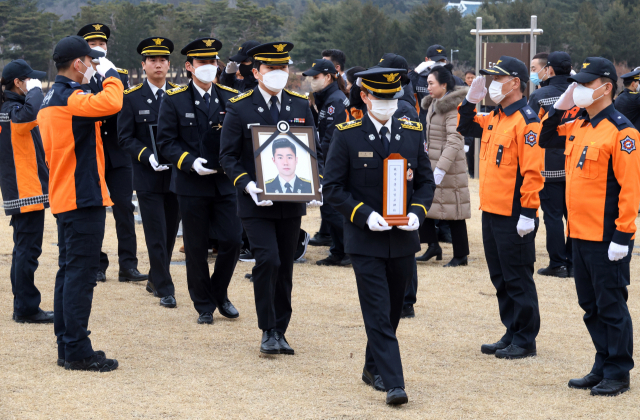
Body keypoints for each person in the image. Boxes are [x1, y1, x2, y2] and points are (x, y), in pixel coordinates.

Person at [323, 67, 435, 405]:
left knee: (391, 311)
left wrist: (417, 213)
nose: (387, 103)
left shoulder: (412, 131)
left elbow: (426, 182)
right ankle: (394, 382)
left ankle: (372, 367)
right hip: (365, 238)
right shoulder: (347, 133)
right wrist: (364, 215)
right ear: (366, 96)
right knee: (376, 309)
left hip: (402, 239)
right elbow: (333, 188)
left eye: (392, 97)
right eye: (380, 97)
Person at [540, 57, 640, 397]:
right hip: (579, 233)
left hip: (606, 235)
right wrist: (559, 106)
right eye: (577, 84)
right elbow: (546, 137)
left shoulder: (623, 132)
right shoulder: (580, 124)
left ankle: (618, 371)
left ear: (606, 87)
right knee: (591, 305)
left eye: (585, 84)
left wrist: (623, 235)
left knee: (611, 305)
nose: (579, 89)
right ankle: (602, 362)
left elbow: (630, 189)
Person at [220, 41, 320, 355]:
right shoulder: (240, 106)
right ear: (256, 70)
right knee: (268, 259)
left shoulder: (300, 104)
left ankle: (281, 330)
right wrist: (247, 184)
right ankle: (267, 328)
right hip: (255, 201)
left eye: (282, 67)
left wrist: (316, 183)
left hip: (291, 201)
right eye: (270, 68)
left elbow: (310, 151)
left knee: (286, 267)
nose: (277, 73)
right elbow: (228, 156)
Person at [38, 35, 123, 371]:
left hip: (66, 194)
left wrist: (97, 78)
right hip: (81, 195)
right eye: (89, 61)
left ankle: (67, 344)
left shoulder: (51, 98)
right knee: (81, 275)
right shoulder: (72, 99)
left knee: (69, 272)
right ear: (78, 65)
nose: (92, 65)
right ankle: (76, 350)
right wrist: (111, 74)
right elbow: (113, 102)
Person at [457, 56, 544, 360]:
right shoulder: (496, 117)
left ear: (515, 83)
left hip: (514, 212)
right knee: (501, 276)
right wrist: (469, 100)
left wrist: (529, 213)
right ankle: (511, 329)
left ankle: (525, 338)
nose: (492, 84)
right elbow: (466, 125)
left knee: (518, 276)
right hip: (492, 209)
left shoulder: (528, 121)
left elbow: (533, 172)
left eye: (498, 78)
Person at [155, 37, 242, 324]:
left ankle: (219, 292)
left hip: (224, 182)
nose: (209, 66)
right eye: (202, 62)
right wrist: (189, 161)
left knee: (231, 240)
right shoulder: (174, 98)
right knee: (195, 247)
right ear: (189, 66)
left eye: (213, 61)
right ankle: (203, 304)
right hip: (191, 184)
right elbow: (166, 142)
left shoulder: (231, 97)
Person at [77, 23, 146, 284]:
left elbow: (121, 102)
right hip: (91, 154)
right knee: (94, 210)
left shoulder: (117, 74)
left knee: (124, 210)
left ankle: (128, 264)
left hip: (117, 153)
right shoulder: (78, 77)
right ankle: (97, 263)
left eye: (103, 44)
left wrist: (111, 73)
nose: (98, 48)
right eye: (93, 44)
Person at [117, 37, 182, 308]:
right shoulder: (131, 98)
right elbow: (125, 138)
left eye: (163, 60)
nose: (158, 64)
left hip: (177, 175)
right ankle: (165, 288)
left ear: (169, 64)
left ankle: (156, 277)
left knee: (169, 232)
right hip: (147, 175)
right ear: (143, 65)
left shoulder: (180, 95)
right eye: (153, 60)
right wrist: (148, 155)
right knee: (155, 231)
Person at [0, 60, 52, 324]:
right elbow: (31, 114)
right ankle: (26, 308)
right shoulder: (12, 110)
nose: (34, 82)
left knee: (24, 250)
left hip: (23, 189)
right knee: (27, 252)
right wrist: (35, 91)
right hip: (25, 190)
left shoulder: (9, 108)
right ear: (17, 82)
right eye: (28, 79)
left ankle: (24, 304)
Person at [528, 51, 576, 278]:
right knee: (574, 215)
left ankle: (558, 263)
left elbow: (533, 130)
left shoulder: (540, 95)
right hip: (577, 161)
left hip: (549, 163)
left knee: (554, 215)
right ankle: (574, 261)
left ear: (550, 69)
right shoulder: (581, 93)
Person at [417, 63, 470, 267]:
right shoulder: (433, 103)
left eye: (431, 83)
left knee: (454, 211)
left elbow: (455, 139)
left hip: (450, 167)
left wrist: (440, 168)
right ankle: (433, 246)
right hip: (433, 163)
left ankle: (461, 255)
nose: (428, 87)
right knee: (427, 205)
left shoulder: (453, 108)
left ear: (444, 84)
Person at [302, 58, 350, 266]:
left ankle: (347, 251)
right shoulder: (326, 98)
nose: (312, 81)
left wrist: (324, 165)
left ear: (328, 77)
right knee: (328, 209)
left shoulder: (335, 101)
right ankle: (338, 250)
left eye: (316, 77)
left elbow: (332, 138)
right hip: (327, 160)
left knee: (332, 209)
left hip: (333, 162)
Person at [409, 44, 465, 125]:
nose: (439, 63)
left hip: (449, 124)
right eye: (436, 61)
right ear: (426, 60)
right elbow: (404, 89)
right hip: (425, 126)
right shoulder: (419, 79)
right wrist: (415, 72)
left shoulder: (455, 80)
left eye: (442, 61)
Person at [376, 53, 418, 121]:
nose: (378, 77)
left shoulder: (403, 108)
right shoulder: (391, 99)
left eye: (383, 74)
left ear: (397, 77)